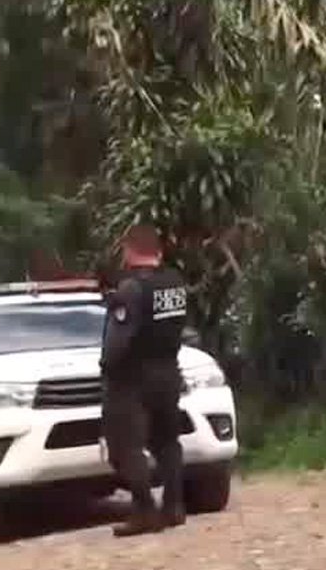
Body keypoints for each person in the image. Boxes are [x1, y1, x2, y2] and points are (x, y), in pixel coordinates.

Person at [100, 224, 189, 537]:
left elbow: (117, 343)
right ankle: (174, 507)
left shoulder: (131, 290)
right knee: (167, 441)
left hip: (133, 378)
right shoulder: (175, 283)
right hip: (168, 372)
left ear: (129, 251)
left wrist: (107, 367)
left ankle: (145, 510)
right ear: (159, 252)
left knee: (125, 447)